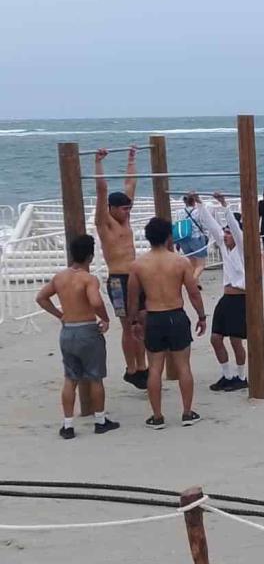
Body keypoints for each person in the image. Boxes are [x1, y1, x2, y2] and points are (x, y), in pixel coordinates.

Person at [35, 234, 118, 439]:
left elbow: (41, 297)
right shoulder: (88, 279)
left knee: (70, 378)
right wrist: (105, 318)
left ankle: (68, 424)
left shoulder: (60, 277)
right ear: (90, 257)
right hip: (87, 329)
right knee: (95, 377)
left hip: (68, 330)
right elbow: (96, 301)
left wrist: (60, 315)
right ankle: (100, 420)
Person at [128, 217, 206, 429]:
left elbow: (133, 298)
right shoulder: (180, 262)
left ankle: (157, 416)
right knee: (183, 366)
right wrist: (201, 315)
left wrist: (134, 321)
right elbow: (193, 293)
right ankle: (187, 412)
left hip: (154, 317)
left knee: (154, 368)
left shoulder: (138, 265)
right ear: (168, 237)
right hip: (176, 315)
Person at [94, 146, 148, 390]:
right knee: (127, 326)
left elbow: (130, 184)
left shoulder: (124, 218)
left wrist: (131, 158)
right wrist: (98, 162)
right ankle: (132, 368)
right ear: (112, 209)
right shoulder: (104, 223)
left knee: (143, 321)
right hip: (118, 280)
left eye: (129, 208)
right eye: (125, 209)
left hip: (136, 278)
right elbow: (101, 189)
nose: (128, 212)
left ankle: (143, 365)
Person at [192, 193, 249, 392]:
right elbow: (211, 225)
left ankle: (242, 377)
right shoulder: (225, 246)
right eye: (225, 233)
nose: (226, 235)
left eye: (229, 233)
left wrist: (224, 205)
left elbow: (235, 228)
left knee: (236, 340)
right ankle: (227, 375)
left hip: (241, 299)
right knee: (216, 338)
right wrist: (198, 202)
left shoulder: (243, 248)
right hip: (226, 299)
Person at [174, 192, 210, 286]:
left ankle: (196, 283)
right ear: (194, 201)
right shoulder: (197, 211)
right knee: (201, 264)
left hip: (184, 239)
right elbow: (203, 224)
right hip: (196, 238)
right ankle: (192, 281)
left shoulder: (179, 212)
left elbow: (177, 225)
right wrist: (207, 235)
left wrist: (177, 242)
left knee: (192, 263)